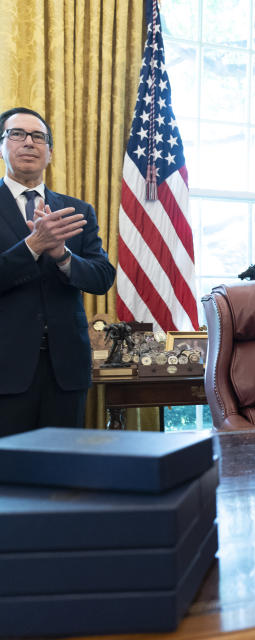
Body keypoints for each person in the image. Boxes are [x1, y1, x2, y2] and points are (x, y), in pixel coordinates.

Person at [0, 107, 116, 436]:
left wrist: (62, 255)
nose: (29, 143)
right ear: (2, 146)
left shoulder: (77, 211)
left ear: (49, 152)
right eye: (17, 134)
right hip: (6, 369)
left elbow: (102, 277)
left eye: (39, 137)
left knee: (62, 477)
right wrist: (33, 245)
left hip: (65, 370)